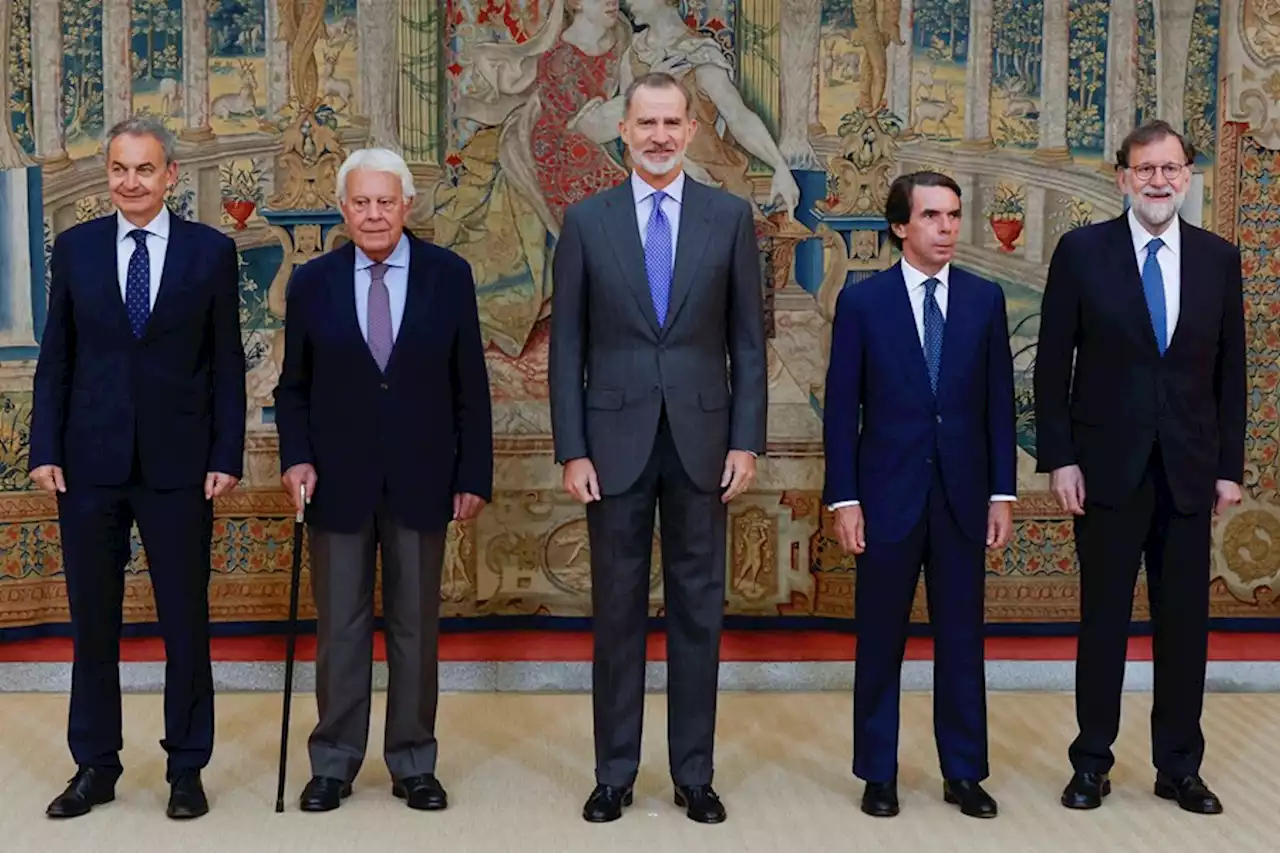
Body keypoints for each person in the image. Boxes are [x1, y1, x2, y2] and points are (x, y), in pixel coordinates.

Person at [549, 71, 767, 824]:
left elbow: (748, 339)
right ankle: (613, 772)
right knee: (615, 611)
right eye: (646, 123)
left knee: (698, 610)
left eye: (673, 122)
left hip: (706, 442)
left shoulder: (730, 217)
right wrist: (572, 448)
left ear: (693, 129)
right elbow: (566, 345)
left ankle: (693, 773)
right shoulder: (585, 221)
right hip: (611, 444)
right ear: (624, 130)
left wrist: (747, 440)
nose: (660, 136)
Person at [29, 116, 246, 820]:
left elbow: (226, 366)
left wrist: (225, 454)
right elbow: (56, 357)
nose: (130, 182)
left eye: (144, 169)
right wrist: (45, 449)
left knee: (186, 619)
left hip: (180, 466)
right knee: (94, 622)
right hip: (88, 465)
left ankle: (187, 765)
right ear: (108, 174)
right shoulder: (77, 249)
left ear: (170, 175)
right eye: (119, 169)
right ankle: (95, 763)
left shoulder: (211, 253)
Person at [273, 147, 493, 813]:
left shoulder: (448, 276)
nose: (373, 214)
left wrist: (473, 472)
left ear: (407, 206)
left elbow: (470, 388)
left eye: (385, 201)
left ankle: (412, 760)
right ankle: (334, 760)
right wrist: (296, 458)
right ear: (344, 210)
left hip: (424, 474)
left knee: (414, 626)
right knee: (340, 626)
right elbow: (293, 390)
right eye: (361, 202)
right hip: (335, 480)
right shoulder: (312, 282)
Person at [1035, 120, 1244, 814]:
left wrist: (1229, 468)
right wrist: (1059, 457)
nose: (1159, 181)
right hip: (1104, 470)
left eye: (1171, 168)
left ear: (1186, 176)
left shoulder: (1218, 258)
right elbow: (1049, 365)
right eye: (1145, 169)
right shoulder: (1081, 253)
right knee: (1103, 621)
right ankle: (1092, 760)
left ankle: (1179, 766)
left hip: (1188, 471)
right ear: (1121, 176)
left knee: (1184, 626)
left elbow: (1231, 376)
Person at [821, 171, 1016, 819]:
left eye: (954, 216)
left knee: (962, 639)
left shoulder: (985, 300)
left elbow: (998, 409)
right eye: (933, 216)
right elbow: (840, 408)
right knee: (880, 640)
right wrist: (844, 499)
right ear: (901, 225)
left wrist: (1002, 493)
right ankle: (878, 771)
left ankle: (964, 771)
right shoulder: (863, 303)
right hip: (884, 499)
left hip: (963, 497)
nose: (947, 229)